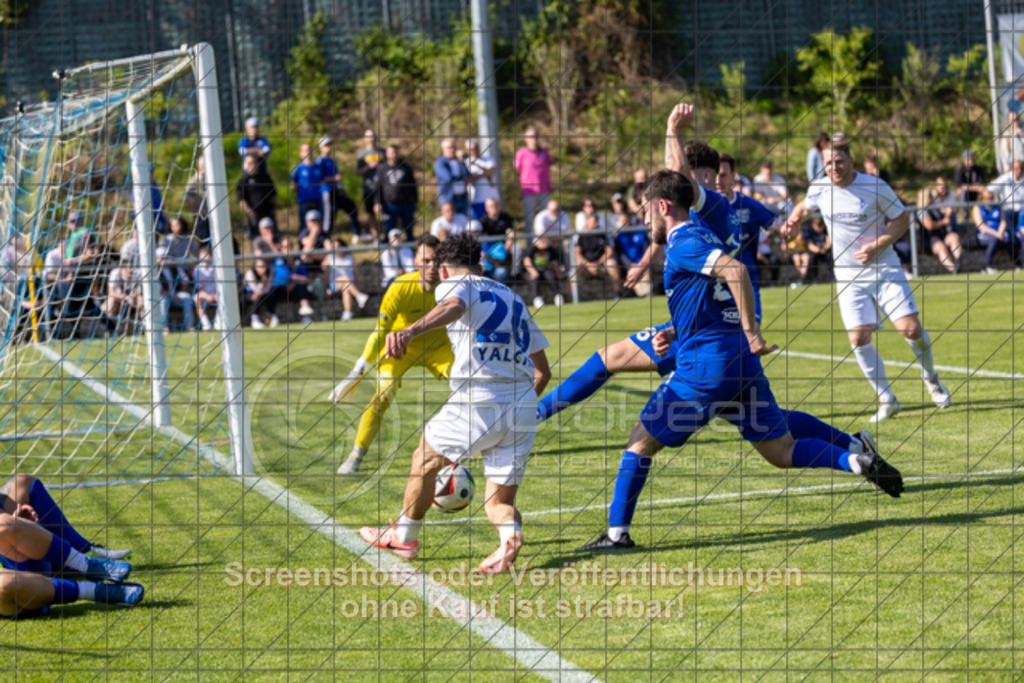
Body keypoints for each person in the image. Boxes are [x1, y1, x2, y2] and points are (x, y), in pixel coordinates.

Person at [576, 167, 904, 552]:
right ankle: (853, 461)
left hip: (704, 369)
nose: (644, 218)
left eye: (646, 210)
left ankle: (617, 535)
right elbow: (713, 299)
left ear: (663, 205)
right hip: (739, 364)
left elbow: (736, 272)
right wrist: (678, 331)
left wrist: (752, 332)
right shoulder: (706, 237)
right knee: (780, 450)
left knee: (640, 442)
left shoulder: (685, 242)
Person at [537, 105, 882, 471]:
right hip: (713, 321)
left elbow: (682, 186)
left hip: (719, 328)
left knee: (615, 364)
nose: (674, 176)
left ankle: (536, 422)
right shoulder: (712, 211)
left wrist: (673, 129)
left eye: (683, 170)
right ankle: (852, 445)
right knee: (762, 420)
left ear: (701, 174)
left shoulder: (709, 206)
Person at [360, 233, 550, 573]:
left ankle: (404, 537)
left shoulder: (452, 285)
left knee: (425, 457)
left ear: (444, 271)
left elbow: (454, 306)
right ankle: (510, 534)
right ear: (480, 265)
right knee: (498, 503)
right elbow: (543, 372)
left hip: (479, 398)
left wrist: (409, 331)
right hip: (523, 405)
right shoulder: (513, 296)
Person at [784, 138, 952, 422]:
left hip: (884, 269)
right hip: (848, 277)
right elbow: (803, 206)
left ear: (851, 161)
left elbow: (901, 219)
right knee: (858, 337)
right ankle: (887, 399)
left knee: (910, 330)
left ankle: (931, 379)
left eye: (839, 162)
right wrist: (793, 220)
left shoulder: (874, 186)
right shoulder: (820, 188)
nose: (834, 168)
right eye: (828, 163)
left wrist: (878, 244)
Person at [331, 236, 454, 474]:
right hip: (400, 350)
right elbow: (380, 332)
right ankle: (356, 455)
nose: (431, 266)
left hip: (440, 348)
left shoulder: (453, 288)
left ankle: (480, 444)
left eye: (435, 260)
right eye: (425, 260)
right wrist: (357, 370)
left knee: (469, 383)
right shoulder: (400, 287)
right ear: (415, 262)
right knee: (383, 394)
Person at [0, 475, 142, 617]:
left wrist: (18, 524)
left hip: (20, 562)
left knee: (21, 487)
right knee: (3, 584)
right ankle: (95, 591)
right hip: (19, 591)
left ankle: (85, 561)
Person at [317, 136, 363, 241]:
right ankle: (326, 238)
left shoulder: (333, 161)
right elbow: (319, 178)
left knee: (352, 208)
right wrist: (333, 179)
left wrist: (342, 190)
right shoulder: (319, 162)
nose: (328, 147)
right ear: (320, 147)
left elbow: (337, 179)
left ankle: (357, 233)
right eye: (325, 145)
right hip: (327, 192)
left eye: (329, 145)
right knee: (329, 217)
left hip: (337, 191)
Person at [916, 179, 963, 274]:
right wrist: (943, 221)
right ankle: (954, 269)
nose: (933, 198)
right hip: (929, 239)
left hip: (942, 235)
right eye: (930, 196)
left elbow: (946, 215)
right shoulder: (922, 211)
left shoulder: (935, 208)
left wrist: (948, 213)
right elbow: (930, 226)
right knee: (941, 247)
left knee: (954, 237)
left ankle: (959, 261)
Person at [373, 144, 418, 241]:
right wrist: (377, 202)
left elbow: (413, 185)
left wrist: (415, 201)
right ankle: (387, 253)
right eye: (392, 153)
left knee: (409, 230)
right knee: (389, 231)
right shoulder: (382, 169)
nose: (394, 155)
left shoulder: (406, 168)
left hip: (406, 204)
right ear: (387, 154)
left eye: (396, 152)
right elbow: (377, 188)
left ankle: (410, 249)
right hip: (389, 205)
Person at [972, 189, 1023, 273]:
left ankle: (1018, 265)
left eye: (991, 198)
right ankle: (987, 266)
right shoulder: (977, 208)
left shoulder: (998, 207)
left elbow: (1003, 221)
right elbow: (980, 225)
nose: (990, 200)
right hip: (984, 234)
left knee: (1010, 239)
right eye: (987, 198)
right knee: (994, 239)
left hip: (999, 232)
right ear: (982, 199)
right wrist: (996, 234)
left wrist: (1000, 232)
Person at [611, 191, 651, 296]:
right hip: (628, 264)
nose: (625, 223)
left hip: (640, 262)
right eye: (622, 221)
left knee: (645, 272)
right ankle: (641, 293)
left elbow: (646, 248)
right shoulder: (619, 236)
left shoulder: (639, 232)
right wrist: (630, 264)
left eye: (626, 220)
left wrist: (641, 262)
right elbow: (620, 254)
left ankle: (647, 294)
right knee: (635, 278)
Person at [515, 127, 555, 230]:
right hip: (529, 191)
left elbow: (549, 167)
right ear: (526, 139)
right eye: (531, 137)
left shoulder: (544, 152)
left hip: (544, 190)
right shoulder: (521, 154)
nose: (534, 139)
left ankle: (547, 243)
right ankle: (529, 243)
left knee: (547, 218)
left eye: (536, 136)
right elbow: (517, 170)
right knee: (529, 218)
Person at [574, 213, 621, 298]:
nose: (596, 224)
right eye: (593, 222)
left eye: (597, 222)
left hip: (601, 263)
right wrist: (588, 265)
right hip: (586, 264)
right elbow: (577, 253)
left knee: (612, 263)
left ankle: (617, 294)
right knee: (576, 267)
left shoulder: (602, 234)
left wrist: (598, 263)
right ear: (587, 223)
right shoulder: (582, 236)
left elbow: (609, 251)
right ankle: (576, 297)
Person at [323, 236, 369, 321]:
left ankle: (347, 313)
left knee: (346, 288)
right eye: (334, 247)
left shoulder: (350, 257)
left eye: (338, 247)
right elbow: (325, 272)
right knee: (345, 278)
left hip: (349, 284)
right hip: (334, 284)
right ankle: (359, 296)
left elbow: (356, 273)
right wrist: (325, 288)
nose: (336, 249)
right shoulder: (329, 257)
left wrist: (358, 285)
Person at [237, 152, 278, 239]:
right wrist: (250, 212)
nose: (252, 165)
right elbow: (241, 200)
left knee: (273, 237)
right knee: (256, 239)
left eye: (254, 162)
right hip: (254, 215)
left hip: (268, 213)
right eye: (249, 163)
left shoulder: (265, 177)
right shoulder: (243, 181)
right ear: (245, 165)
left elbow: (274, 194)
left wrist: (274, 208)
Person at [355, 129, 385, 241]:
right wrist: (369, 167)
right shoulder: (362, 155)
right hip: (368, 188)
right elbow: (358, 172)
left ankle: (387, 236)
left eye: (373, 136)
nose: (371, 139)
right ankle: (376, 237)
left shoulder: (383, 152)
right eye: (369, 136)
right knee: (371, 214)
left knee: (383, 211)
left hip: (382, 188)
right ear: (365, 139)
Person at [523, 235, 567, 308]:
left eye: (546, 240)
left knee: (551, 276)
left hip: (544, 270)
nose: (545, 242)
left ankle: (558, 295)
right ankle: (537, 298)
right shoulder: (532, 249)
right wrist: (532, 271)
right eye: (542, 241)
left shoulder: (550, 249)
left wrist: (559, 273)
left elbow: (554, 262)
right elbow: (526, 261)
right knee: (534, 278)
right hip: (530, 270)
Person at [478, 197, 515, 283]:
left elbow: (511, 233)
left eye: (496, 205)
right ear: (486, 208)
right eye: (491, 206)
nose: (494, 208)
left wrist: (506, 248)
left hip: (504, 247)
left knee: (518, 249)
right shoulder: (483, 221)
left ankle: (516, 274)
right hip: (489, 250)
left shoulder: (505, 217)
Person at [465, 139, 500, 220]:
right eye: (471, 149)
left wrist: (477, 175)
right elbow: (469, 179)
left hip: (492, 197)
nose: (474, 151)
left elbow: (492, 172)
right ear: (467, 150)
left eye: (476, 148)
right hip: (477, 199)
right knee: (480, 222)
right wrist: (485, 174)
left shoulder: (489, 159)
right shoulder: (466, 163)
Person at [433, 138, 470, 215]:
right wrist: (462, 178)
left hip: (463, 197)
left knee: (463, 222)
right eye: (449, 147)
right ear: (443, 149)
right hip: (449, 198)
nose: (452, 149)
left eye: (454, 147)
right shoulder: (440, 162)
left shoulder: (459, 161)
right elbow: (448, 178)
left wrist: (462, 160)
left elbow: (467, 174)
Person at [290, 143, 323, 229]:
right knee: (304, 225)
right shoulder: (298, 168)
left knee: (318, 224)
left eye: (309, 150)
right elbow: (292, 184)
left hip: (317, 200)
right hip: (304, 201)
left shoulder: (318, 167)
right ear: (300, 154)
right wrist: (300, 192)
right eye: (304, 151)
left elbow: (322, 181)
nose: (307, 152)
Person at [183, 157, 211, 245]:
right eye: (204, 165)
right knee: (204, 239)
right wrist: (195, 210)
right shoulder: (193, 180)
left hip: (213, 213)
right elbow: (186, 198)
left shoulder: (211, 178)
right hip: (201, 216)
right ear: (199, 167)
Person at [244, 259, 278, 329]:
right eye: (259, 266)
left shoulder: (270, 272)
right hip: (247, 294)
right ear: (255, 267)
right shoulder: (250, 273)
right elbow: (254, 289)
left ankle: (273, 317)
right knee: (256, 298)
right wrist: (263, 281)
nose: (262, 268)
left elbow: (268, 288)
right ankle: (254, 319)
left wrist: (261, 291)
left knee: (268, 296)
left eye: (263, 266)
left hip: (263, 294)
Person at [193, 245, 218, 331]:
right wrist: (207, 296)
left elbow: (219, 285)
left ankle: (219, 322)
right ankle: (206, 324)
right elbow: (199, 288)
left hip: (216, 293)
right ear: (199, 257)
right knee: (196, 298)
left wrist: (213, 294)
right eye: (203, 256)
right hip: (204, 294)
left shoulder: (216, 267)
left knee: (223, 297)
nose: (205, 258)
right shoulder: (196, 270)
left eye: (207, 255)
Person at [954, 150, 986, 216]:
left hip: (976, 194)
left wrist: (968, 186)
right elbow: (960, 186)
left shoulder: (979, 169)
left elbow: (982, 186)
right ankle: (966, 217)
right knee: (962, 192)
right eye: (969, 159)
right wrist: (975, 187)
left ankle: (984, 215)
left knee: (986, 191)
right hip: (966, 195)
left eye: (972, 159)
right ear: (964, 160)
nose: (971, 161)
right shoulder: (960, 170)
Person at [803, 216, 833, 282]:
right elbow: (810, 245)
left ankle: (831, 277)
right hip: (815, 252)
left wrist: (824, 248)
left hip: (825, 251)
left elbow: (829, 243)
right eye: (818, 225)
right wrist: (819, 250)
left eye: (821, 225)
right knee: (812, 257)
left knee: (830, 256)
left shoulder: (826, 231)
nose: (820, 227)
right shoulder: (810, 232)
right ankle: (814, 279)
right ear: (813, 225)